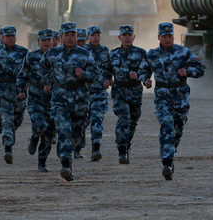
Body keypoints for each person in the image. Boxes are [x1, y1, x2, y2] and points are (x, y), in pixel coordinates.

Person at [139, 22, 205, 180]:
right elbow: (143, 70)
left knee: (177, 131)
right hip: (162, 96)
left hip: (180, 96)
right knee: (167, 126)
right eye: (164, 36)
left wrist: (188, 72)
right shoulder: (152, 54)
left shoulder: (184, 52)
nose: (167, 39)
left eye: (170, 36)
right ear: (159, 37)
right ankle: (167, 162)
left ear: (173, 37)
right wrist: (145, 80)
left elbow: (201, 68)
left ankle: (170, 153)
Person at [38, 22, 97, 182]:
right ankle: (66, 166)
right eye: (67, 35)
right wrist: (47, 82)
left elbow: (95, 73)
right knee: (64, 131)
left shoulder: (85, 54)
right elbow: (41, 69)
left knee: (77, 133)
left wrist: (84, 74)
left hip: (80, 99)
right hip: (60, 98)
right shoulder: (52, 53)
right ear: (61, 37)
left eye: (73, 35)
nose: (70, 38)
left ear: (77, 36)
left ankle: (66, 151)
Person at [0, 26, 29, 164]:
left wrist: (26, 86)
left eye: (12, 36)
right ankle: (8, 148)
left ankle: (10, 135)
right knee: (6, 120)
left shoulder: (23, 52)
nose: (10, 39)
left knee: (17, 120)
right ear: (3, 38)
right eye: (7, 36)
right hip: (3, 91)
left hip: (18, 92)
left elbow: (30, 70)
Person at [106, 25, 147, 164]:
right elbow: (106, 70)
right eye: (125, 35)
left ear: (134, 37)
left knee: (133, 121)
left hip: (135, 92)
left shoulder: (141, 53)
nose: (127, 37)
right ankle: (122, 150)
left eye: (130, 35)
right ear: (120, 38)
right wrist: (106, 79)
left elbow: (147, 70)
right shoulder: (113, 54)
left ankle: (126, 144)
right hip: (119, 91)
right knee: (124, 118)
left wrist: (140, 76)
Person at [17, 29, 55, 172]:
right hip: (35, 98)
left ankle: (42, 161)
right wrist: (21, 91)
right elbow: (22, 75)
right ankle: (34, 137)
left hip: (54, 99)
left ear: (53, 41)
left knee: (49, 133)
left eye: (48, 40)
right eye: (43, 40)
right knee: (40, 125)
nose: (46, 43)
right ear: (39, 42)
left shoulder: (58, 56)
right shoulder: (31, 57)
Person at [82, 25, 112, 162]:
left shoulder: (105, 51)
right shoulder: (82, 51)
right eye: (93, 35)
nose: (95, 37)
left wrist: (107, 79)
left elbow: (108, 69)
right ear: (88, 37)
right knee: (81, 121)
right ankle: (77, 144)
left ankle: (96, 148)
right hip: (83, 93)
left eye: (98, 35)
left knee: (97, 119)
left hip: (99, 92)